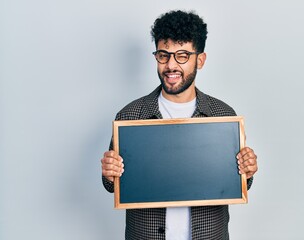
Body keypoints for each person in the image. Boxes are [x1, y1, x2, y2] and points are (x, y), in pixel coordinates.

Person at [101, 10, 258, 240]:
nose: (171, 65)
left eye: (182, 55)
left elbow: (238, 181)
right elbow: (112, 185)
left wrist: (248, 169)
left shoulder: (222, 116)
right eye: (164, 55)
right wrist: (108, 173)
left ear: (200, 60)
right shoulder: (130, 116)